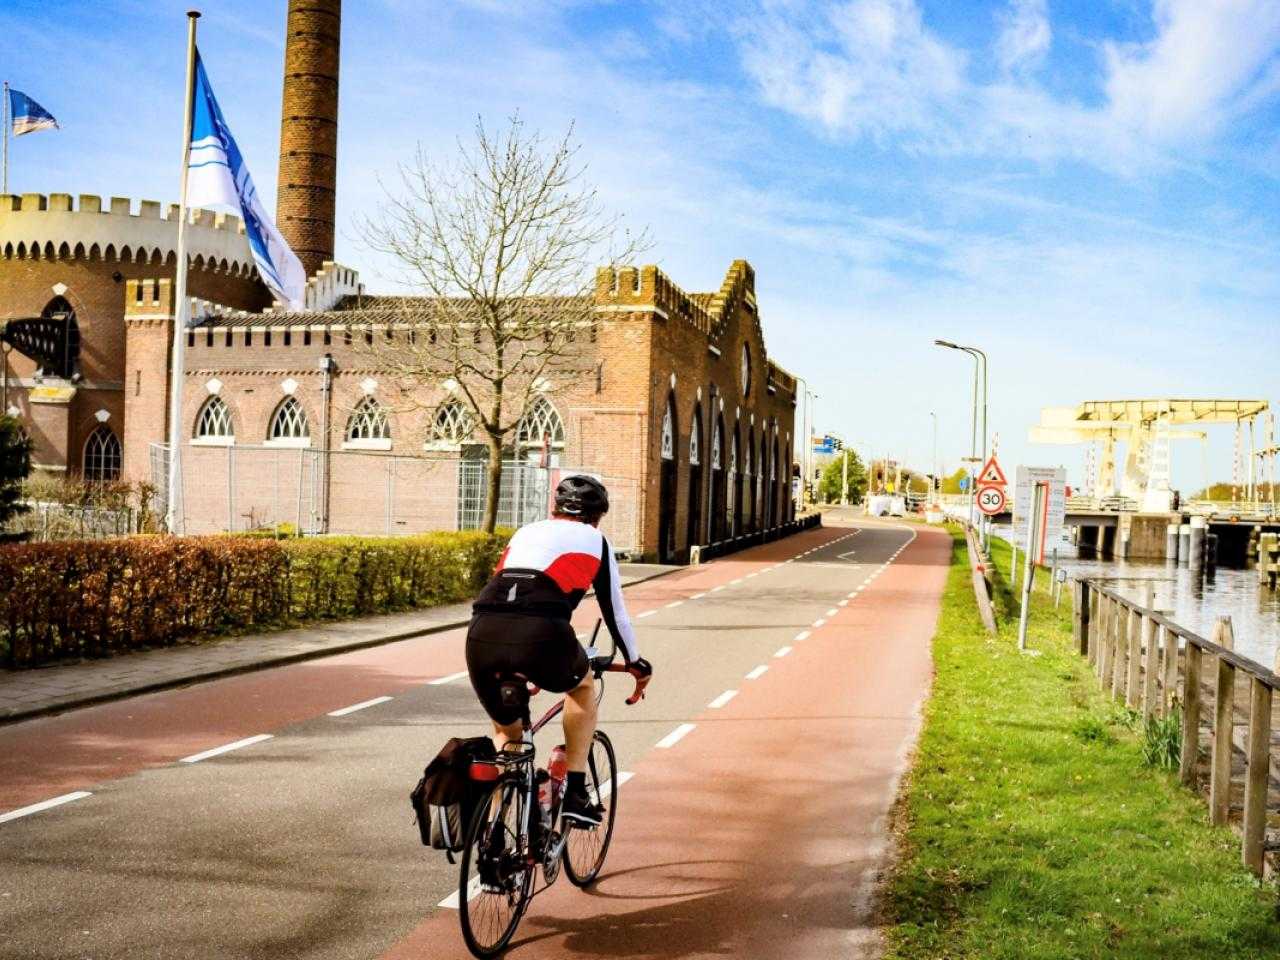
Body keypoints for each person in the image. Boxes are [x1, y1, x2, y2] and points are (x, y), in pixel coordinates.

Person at [466, 474, 653, 826]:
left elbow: (509, 587)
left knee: (507, 736)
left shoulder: (525, 532)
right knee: (582, 688)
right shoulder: (596, 540)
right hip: (542, 634)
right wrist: (635, 663)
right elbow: (615, 612)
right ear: (597, 516)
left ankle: (492, 840)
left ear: (554, 508)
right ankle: (577, 795)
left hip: (482, 632)